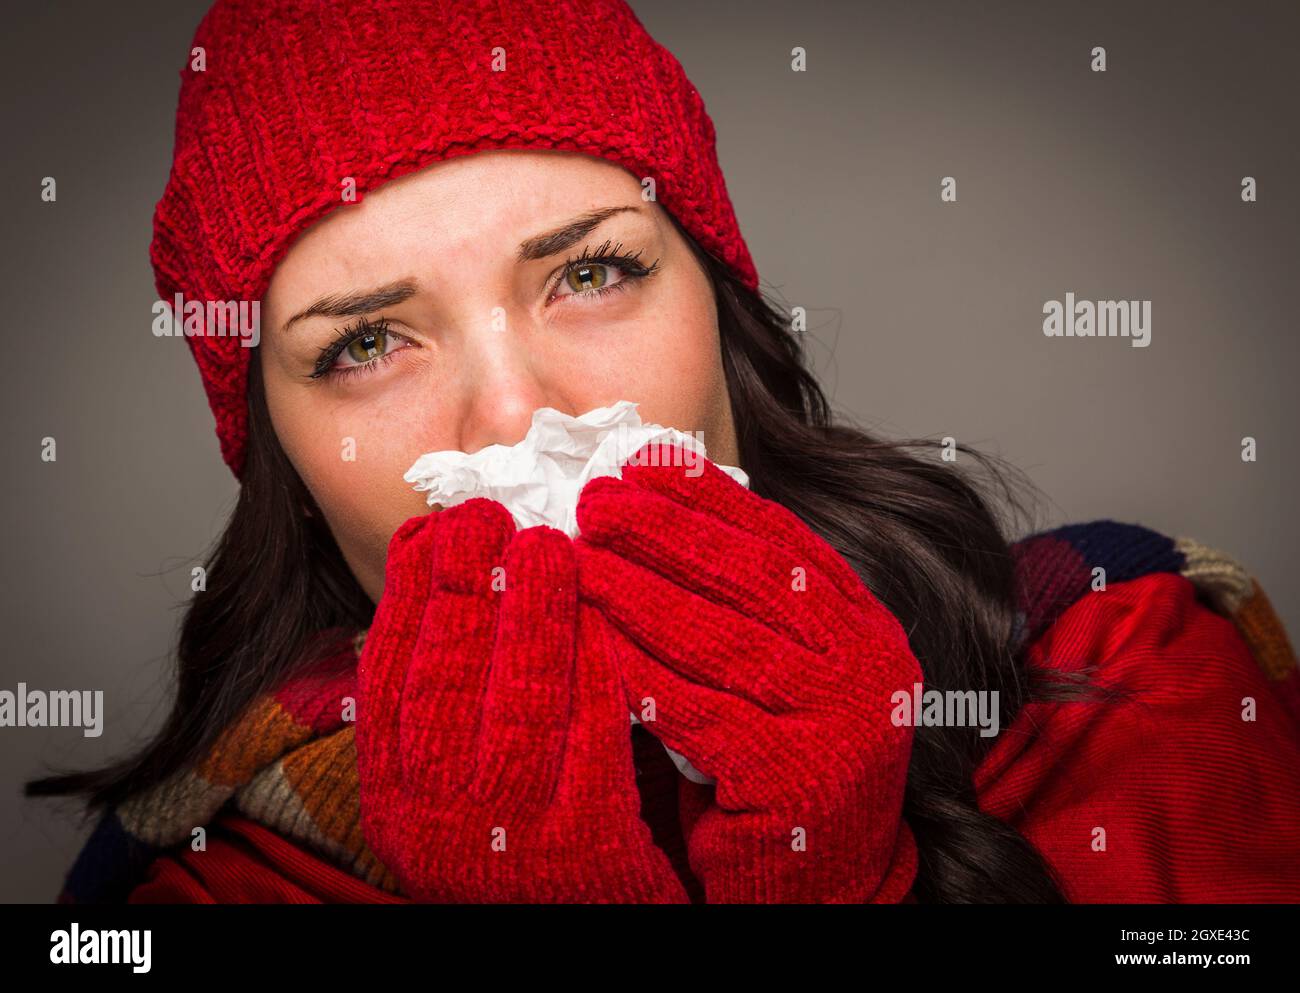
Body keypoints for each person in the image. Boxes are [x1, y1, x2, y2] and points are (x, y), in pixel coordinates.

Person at [28, 0, 1300, 904]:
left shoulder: (1121, 667)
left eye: (589, 272)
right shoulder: (203, 883)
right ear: (280, 463)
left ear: (721, 308)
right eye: (364, 344)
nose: (517, 413)